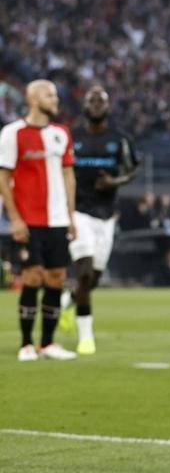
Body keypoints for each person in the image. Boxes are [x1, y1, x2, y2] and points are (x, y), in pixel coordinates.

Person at [0, 80, 78, 361]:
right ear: (33, 99)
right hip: (29, 219)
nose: (55, 99)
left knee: (56, 278)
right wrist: (14, 219)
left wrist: (70, 216)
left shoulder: (61, 133)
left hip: (57, 220)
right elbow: (3, 178)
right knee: (32, 276)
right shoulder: (13, 133)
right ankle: (26, 344)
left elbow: (68, 175)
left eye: (55, 94)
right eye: (49, 94)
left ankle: (48, 343)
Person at [60, 85, 139, 354]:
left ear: (107, 107)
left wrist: (115, 181)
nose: (96, 104)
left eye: (101, 101)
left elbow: (134, 169)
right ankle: (86, 337)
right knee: (83, 273)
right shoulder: (71, 137)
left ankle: (68, 301)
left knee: (92, 279)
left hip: (106, 216)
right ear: (84, 106)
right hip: (78, 212)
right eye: (91, 100)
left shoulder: (120, 139)